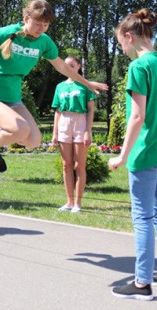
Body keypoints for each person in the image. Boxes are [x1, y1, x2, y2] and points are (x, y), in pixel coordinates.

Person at [0, 0, 108, 173]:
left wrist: (86, 83)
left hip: (12, 98)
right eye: (37, 23)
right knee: (20, 129)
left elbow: (62, 66)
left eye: (45, 24)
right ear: (26, 18)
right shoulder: (6, 33)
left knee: (34, 140)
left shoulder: (44, 42)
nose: (41, 28)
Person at [108, 9, 157, 301]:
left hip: (148, 151)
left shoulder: (139, 68)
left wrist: (122, 155)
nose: (123, 50)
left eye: (121, 44)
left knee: (141, 216)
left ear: (129, 37)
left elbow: (137, 117)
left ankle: (142, 284)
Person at [51, 55, 96, 213]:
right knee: (66, 165)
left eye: (72, 65)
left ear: (78, 66)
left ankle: (78, 203)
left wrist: (87, 131)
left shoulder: (85, 86)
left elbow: (91, 110)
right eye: (66, 65)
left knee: (79, 165)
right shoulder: (59, 87)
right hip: (64, 121)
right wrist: (54, 133)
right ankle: (69, 201)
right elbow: (57, 111)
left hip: (80, 122)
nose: (68, 68)